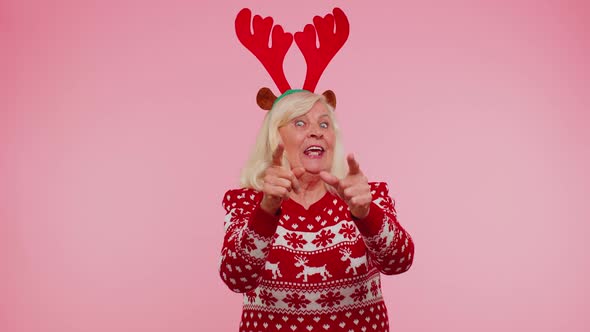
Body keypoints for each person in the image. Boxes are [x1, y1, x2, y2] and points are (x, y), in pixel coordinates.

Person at [219, 90, 414, 332]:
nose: (316, 131)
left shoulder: (365, 196)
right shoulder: (247, 202)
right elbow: (237, 278)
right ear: (274, 137)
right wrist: (267, 209)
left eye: (324, 123)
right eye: (299, 122)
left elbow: (399, 262)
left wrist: (366, 213)